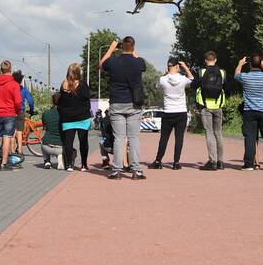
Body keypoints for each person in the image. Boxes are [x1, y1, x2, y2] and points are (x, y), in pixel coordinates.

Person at [99, 36, 146, 180]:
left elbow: (101, 64)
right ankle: (136, 170)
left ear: (121, 48)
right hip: (134, 104)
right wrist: (131, 50)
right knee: (133, 137)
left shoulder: (113, 62)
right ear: (133, 47)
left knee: (119, 138)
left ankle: (117, 170)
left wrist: (113, 47)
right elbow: (140, 62)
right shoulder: (138, 62)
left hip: (117, 103)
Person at [235, 55, 263, 171]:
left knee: (250, 137)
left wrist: (240, 63)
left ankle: (249, 164)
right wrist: (261, 62)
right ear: (260, 64)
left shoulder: (245, 77)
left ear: (250, 65)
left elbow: (236, 75)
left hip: (250, 111)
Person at [150, 58, 194, 170]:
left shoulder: (163, 79)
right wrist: (185, 67)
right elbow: (192, 79)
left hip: (168, 112)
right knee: (179, 138)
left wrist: (165, 73)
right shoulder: (183, 79)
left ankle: (158, 161)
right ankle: (176, 162)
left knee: (164, 138)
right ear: (177, 66)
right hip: (181, 112)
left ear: (168, 66)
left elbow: (157, 86)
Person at [194, 50, 226, 171]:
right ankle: (221, 161)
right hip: (218, 106)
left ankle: (212, 161)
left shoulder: (201, 72)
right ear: (216, 60)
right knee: (218, 133)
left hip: (206, 106)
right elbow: (226, 87)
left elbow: (194, 85)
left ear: (205, 61)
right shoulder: (222, 72)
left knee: (209, 133)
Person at [58, 63, 93, 171]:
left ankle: (69, 165)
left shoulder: (63, 85)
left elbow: (61, 101)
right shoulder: (83, 85)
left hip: (68, 118)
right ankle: (83, 164)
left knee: (68, 142)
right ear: (78, 73)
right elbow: (87, 98)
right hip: (83, 117)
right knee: (83, 141)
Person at [12, 71, 36, 156]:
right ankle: (20, 150)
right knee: (19, 131)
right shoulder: (24, 90)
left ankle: (12, 151)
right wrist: (31, 109)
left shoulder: (11, 88)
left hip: (11, 111)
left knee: (12, 131)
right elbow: (30, 101)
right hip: (21, 111)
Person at [41, 92, 65, 169]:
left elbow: (45, 127)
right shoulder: (65, 114)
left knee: (43, 141)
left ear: (52, 101)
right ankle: (60, 157)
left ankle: (47, 161)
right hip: (61, 148)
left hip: (46, 146)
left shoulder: (46, 113)